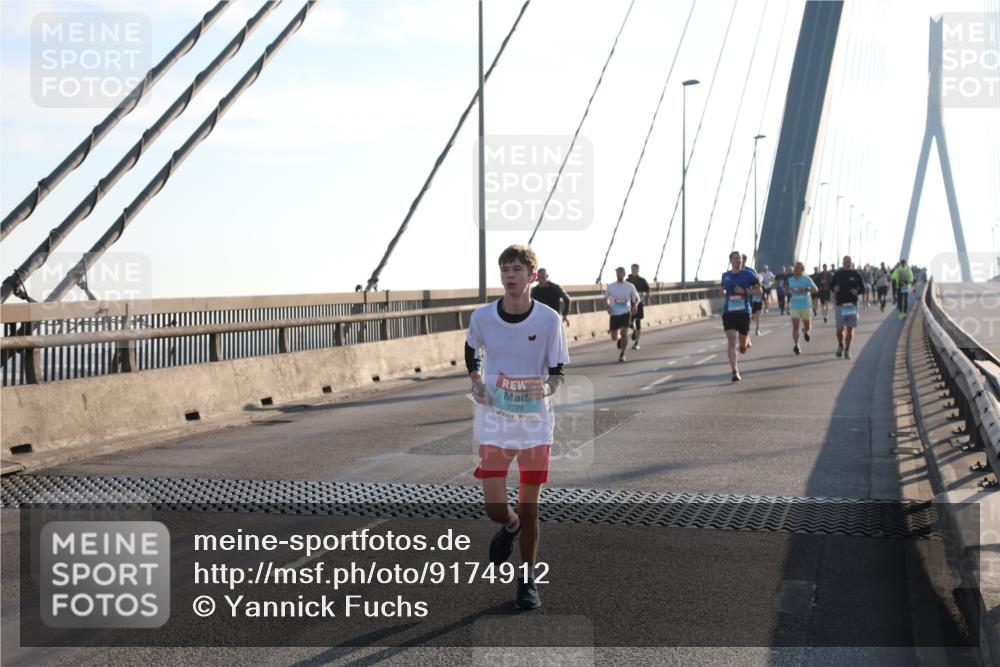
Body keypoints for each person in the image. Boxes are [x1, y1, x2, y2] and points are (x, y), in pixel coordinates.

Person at [466, 244, 570, 610]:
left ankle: (527, 580)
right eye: (505, 270)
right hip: (495, 420)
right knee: (496, 507)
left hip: (534, 423)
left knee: (530, 509)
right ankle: (508, 527)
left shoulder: (548, 320)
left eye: (516, 270)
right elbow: (472, 348)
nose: (510, 276)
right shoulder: (483, 317)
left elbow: (557, 374)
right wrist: (477, 377)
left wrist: (542, 388)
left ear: (532, 276)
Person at [721, 250, 761, 382]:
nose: (738, 261)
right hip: (729, 312)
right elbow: (722, 290)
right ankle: (735, 371)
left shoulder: (748, 274)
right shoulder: (725, 275)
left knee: (742, 348)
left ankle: (746, 341)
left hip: (743, 312)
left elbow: (759, 290)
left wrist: (745, 291)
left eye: (739, 259)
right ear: (730, 261)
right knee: (732, 341)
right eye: (735, 259)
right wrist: (723, 291)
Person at [830, 255, 865, 360]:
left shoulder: (856, 274)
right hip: (840, 304)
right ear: (842, 263)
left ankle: (847, 349)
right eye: (845, 261)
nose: (847, 263)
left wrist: (857, 292)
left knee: (850, 329)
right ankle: (840, 344)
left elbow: (863, 289)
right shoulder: (838, 274)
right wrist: (834, 288)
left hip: (852, 305)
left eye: (848, 261)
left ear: (851, 262)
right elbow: (832, 286)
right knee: (839, 329)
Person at [604, 267, 640, 362]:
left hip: (625, 313)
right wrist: (607, 306)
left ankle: (622, 354)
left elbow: (637, 297)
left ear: (624, 274)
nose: (618, 274)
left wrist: (635, 305)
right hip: (614, 314)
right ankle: (620, 338)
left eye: (620, 273)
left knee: (624, 332)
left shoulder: (630, 286)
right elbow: (605, 298)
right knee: (614, 337)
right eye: (617, 273)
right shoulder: (611, 286)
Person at [786, 261, 818, 354]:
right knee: (795, 326)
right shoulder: (791, 280)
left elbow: (816, 289)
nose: (797, 270)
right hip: (794, 306)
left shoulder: (807, 279)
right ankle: (797, 345)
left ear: (802, 270)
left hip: (805, 305)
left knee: (807, 326)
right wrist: (789, 290)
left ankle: (805, 331)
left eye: (799, 268)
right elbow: (787, 290)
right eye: (796, 268)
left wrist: (805, 289)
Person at [626, 264, 651, 350]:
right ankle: (633, 331)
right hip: (628, 304)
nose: (633, 270)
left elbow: (648, 291)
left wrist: (646, 295)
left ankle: (637, 342)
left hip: (639, 303)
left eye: (634, 269)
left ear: (638, 270)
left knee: (638, 321)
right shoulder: (627, 280)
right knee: (628, 322)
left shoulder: (642, 280)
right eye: (631, 269)